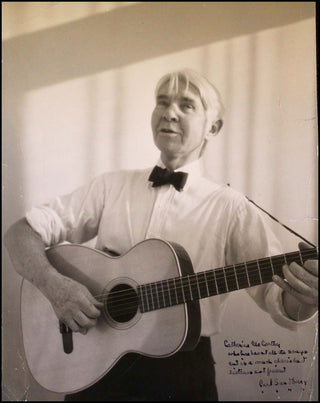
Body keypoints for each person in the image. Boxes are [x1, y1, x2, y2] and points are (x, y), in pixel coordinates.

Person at [4, 69, 318, 401]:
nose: (169, 112)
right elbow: (19, 234)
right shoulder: (111, 186)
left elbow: (278, 298)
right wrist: (56, 288)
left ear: (213, 127)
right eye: (162, 102)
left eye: (187, 105)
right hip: (93, 371)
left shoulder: (232, 208)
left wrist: (307, 293)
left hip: (181, 377)